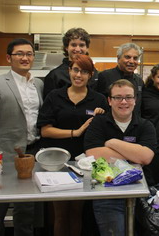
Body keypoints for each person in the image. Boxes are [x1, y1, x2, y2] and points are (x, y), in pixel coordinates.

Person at [37, 54, 107, 236]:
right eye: (76, 70)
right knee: (60, 214)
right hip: (57, 163)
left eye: (84, 71)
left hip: (83, 163)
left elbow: (102, 132)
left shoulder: (98, 99)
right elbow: (45, 130)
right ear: (69, 71)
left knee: (77, 212)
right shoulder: (55, 96)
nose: (79, 75)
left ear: (90, 75)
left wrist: (100, 117)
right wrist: (75, 132)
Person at [0, 38, 43, 236]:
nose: (25, 58)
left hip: (31, 154)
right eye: (19, 54)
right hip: (4, 156)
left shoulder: (38, 84)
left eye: (29, 54)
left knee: (26, 209)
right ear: (9, 58)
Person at [84, 79, 157, 236]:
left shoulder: (146, 125)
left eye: (128, 97)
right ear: (109, 101)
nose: (124, 102)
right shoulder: (98, 123)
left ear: (135, 100)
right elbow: (92, 153)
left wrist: (112, 143)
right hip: (107, 193)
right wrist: (133, 154)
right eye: (118, 97)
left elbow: (146, 157)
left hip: (140, 194)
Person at [43, 27, 98, 98]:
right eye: (73, 45)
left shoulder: (95, 73)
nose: (78, 49)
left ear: (87, 48)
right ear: (66, 47)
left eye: (81, 45)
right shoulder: (54, 76)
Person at [96, 42, 144, 114]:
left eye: (135, 58)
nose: (131, 61)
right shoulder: (105, 76)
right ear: (118, 58)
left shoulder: (139, 81)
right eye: (127, 57)